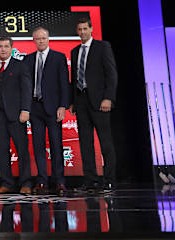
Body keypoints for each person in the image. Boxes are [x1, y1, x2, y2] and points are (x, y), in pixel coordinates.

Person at [70, 17, 118, 192]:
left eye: (85, 29)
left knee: (105, 142)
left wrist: (108, 98)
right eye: (80, 29)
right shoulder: (74, 52)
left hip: (100, 102)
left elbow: (112, 74)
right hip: (81, 102)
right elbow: (74, 79)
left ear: (91, 29)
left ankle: (109, 180)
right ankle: (89, 181)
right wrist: (73, 102)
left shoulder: (103, 47)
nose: (82, 32)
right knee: (85, 142)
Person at [24, 27, 70, 195]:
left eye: (43, 38)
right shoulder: (28, 59)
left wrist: (63, 106)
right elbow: (25, 86)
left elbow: (65, 83)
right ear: (33, 40)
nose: (41, 41)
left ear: (48, 39)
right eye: (38, 38)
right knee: (38, 146)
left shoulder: (58, 57)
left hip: (53, 108)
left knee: (57, 145)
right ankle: (42, 181)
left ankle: (59, 181)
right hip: (35, 108)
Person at [0, 36, 32, 195]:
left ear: (11, 47)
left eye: (6, 46)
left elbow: (27, 89)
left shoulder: (20, 66)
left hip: (17, 116)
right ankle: (7, 183)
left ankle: (26, 183)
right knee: (1, 151)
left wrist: (26, 109)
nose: (3, 49)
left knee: (22, 150)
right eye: (0, 46)